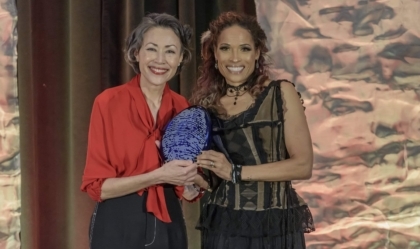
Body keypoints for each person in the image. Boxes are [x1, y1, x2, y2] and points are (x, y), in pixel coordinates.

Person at [190, 12, 315, 249]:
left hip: (275, 225)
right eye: (225, 48)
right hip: (224, 226)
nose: (235, 58)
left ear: (257, 53)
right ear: (214, 54)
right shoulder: (205, 106)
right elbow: (215, 180)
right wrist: (192, 180)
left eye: (244, 49)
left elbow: (303, 165)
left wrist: (236, 172)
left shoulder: (280, 93)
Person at [81, 13, 205, 249]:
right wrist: (158, 176)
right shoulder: (108, 102)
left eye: (170, 51)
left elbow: (188, 190)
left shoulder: (182, 107)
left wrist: (193, 181)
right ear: (136, 53)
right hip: (117, 223)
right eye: (151, 49)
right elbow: (98, 188)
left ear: (180, 59)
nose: (160, 60)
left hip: (169, 222)